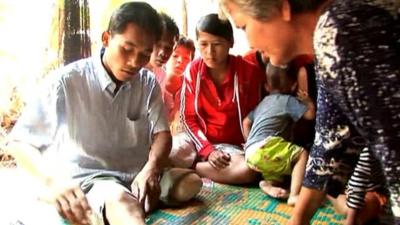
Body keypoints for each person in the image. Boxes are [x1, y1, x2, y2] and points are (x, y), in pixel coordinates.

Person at [6, 2, 201, 225]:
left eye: (144, 54)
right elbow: (20, 143)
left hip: (137, 174)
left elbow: (162, 134)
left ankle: (109, 208)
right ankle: (106, 206)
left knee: (190, 183)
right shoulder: (66, 83)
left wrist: (151, 167)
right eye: (127, 49)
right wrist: (52, 182)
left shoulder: (147, 83)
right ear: (106, 38)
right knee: (124, 206)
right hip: (94, 178)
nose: (135, 62)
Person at [217, 0, 400, 224]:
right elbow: (328, 141)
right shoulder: (327, 41)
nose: (251, 43)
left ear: (282, 8)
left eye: (244, 27)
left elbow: (393, 148)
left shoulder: (339, 28)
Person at [170, 13, 265, 184]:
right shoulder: (193, 71)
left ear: (230, 43)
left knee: (249, 170)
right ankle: (198, 165)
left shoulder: (249, 72)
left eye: (217, 44)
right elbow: (188, 118)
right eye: (203, 45)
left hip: (232, 148)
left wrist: (250, 147)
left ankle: (194, 168)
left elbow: (255, 117)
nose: (210, 52)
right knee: (168, 152)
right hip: (197, 141)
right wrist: (207, 150)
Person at [244, 63, 315, 206]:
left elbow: (246, 122)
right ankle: (295, 195)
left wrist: (249, 142)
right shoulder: (289, 101)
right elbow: (310, 116)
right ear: (294, 86)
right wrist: (309, 103)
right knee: (301, 154)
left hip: (251, 152)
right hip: (267, 146)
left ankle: (268, 184)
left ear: (267, 87)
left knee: (277, 170)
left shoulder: (263, 102)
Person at [328, 146, 389, 225]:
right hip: (348, 188)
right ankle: (327, 192)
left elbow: (360, 179)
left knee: (352, 211)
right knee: (350, 210)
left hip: (373, 190)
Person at [163, 36, 196, 132]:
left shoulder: (191, 88)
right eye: (175, 56)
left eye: (186, 58)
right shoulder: (155, 83)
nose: (180, 61)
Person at [146, 12, 179, 87]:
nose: (163, 53)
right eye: (158, 45)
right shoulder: (131, 70)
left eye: (169, 48)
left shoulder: (161, 75)